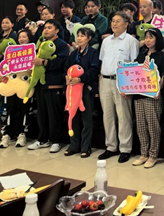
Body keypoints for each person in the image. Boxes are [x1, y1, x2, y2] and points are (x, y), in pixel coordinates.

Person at [98, 11, 139, 163]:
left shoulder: (131, 41)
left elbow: (134, 65)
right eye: (113, 21)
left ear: (126, 24)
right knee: (107, 116)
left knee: (123, 116)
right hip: (105, 80)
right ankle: (111, 146)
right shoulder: (106, 41)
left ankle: (125, 148)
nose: (114, 24)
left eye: (118, 21)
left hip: (121, 82)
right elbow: (102, 61)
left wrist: (128, 87)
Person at [27, 19, 69, 153]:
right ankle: (42, 139)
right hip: (40, 84)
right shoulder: (40, 44)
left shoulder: (62, 45)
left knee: (54, 114)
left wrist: (44, 62)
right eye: (45, 27)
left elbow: (62, 62)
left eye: (49, 27)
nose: (46, 30)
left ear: (57, 30)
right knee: (41, 114)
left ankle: (56, 140)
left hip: (54, 84)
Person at [132, 28, 164, 168]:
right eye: (146, 37)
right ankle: (143, 153)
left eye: (151, 37)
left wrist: (159, 89)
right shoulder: (141, 54)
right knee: (141, 126)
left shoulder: (162, 56)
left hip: (152, 96)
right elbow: (134, 72)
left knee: (153, 126)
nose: (147, 40)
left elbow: (163, 75)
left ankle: (153, 155)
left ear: (157, 39)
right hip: (138, 94)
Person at [63, 27, 101, 158]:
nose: (79, 38)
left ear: (89, 38)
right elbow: (66, 67)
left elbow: (94, 69)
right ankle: (74, 145)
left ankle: (86, 147)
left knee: (86, 118)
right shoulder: (74, 53)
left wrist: (80, 79)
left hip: (86, 88)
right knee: (73, 116)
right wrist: (67, 77)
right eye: (78, 35)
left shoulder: (93, 53)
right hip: (72, 89)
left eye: (82, 36)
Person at [0, 28, 34, 148]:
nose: (21, 39)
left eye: (24, 37)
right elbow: (4, 66)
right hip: (11, 85)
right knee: (9, 109)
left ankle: (22, 134)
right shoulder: (12, 52)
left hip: (24, 86)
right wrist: (2, 74)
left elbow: (37, 71)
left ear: (29, 38)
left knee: (24, 110)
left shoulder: (33, 52)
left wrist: (32, 69)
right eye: (20, 37)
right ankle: (6, 135)